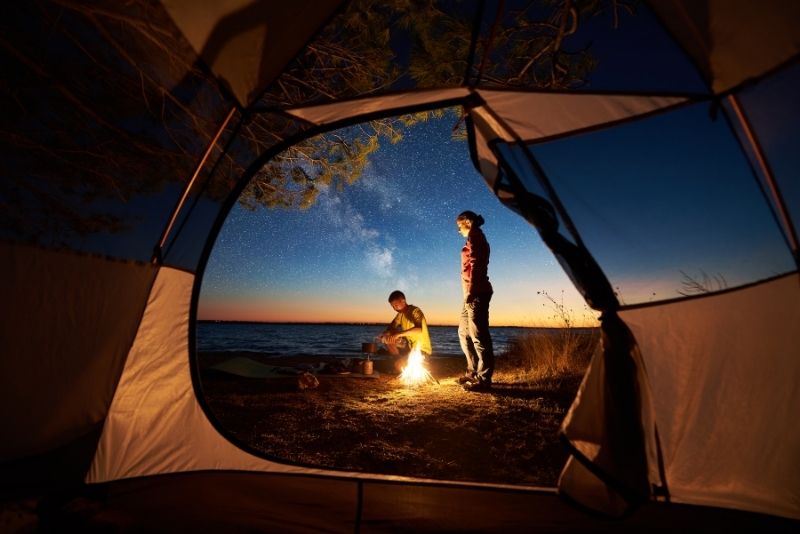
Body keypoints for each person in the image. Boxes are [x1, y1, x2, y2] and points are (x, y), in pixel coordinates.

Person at [456, 210, 495, 391]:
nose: (458, 230)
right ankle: (471, 371)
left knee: (479, 336)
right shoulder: (472, 238)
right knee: (464, 333)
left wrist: (471, 291)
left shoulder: (476, 237)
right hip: (469, 294)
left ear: (468, 222)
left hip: (477, 292)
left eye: (459, 226)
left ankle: (484, 379)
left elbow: (477, 264)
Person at [378, 290, 432, 373]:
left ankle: (405, 364)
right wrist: (386, 334)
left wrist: (399, 334)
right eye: (392, 306)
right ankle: (400, 361)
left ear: (403, 301)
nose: (394, 308)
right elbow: (391, 327)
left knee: (399, 366)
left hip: (422, 351)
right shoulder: (401, 314)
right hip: (409, 348)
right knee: (387, 339)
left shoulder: (415, 311)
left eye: (396, 305)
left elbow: (419, 330)